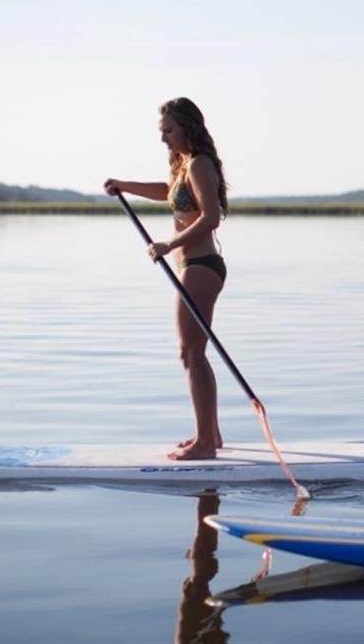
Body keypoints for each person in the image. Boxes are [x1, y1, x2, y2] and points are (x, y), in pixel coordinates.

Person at [105, 98, 229, 461]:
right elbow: (167, 192)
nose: (164, 139)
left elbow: (210, 218)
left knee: (192, 352)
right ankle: (211, 435)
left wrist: (168, 244)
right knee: (191, 352)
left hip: (202, 265)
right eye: (161, 132)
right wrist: (124, 185)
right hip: (191, 266)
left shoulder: (201, 164)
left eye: (168, 131)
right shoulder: (183, 165)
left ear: (188, 127)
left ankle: (206, 443)